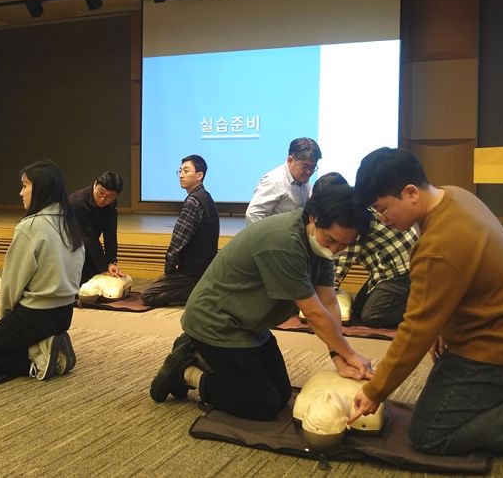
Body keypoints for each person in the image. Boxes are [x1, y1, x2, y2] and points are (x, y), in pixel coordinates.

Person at [348, 147, 503, 466]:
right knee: (440, 402)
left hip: (495, 352)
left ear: (411, 192)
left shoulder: (438, 246)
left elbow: (414, 332)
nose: (384, 221)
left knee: (429, 433)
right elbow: (462, 285)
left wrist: (375, 391)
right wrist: (445, 327)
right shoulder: (454, 196)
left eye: (383, 209)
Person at [150, 184, 373, 421]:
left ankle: (204, 358)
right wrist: (350, 353)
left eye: (344, 245)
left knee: (282, 395)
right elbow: (314, 313)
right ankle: (186, 371)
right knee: (263, 404)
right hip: (216, 324)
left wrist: (339, 357)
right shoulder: (284, 241)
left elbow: (328, 302)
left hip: (251, 327)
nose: (335, 250)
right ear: (313, 217)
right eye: (331, 240)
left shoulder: (321, 246)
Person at [0, 160, 84, 381]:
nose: (20, 192)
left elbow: (12, 284)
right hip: (63, 315)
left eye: (25, 185)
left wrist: (6, 320)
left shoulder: (30, 227)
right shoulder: (70, 224)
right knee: (0, 348)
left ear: (41, 189)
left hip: (33, 317)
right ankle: (45, 345)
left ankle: (37, 359)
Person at [314, 172, 418, 329]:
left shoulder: (352, 216)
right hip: (385, 268)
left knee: (372, 316)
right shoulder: (358, 202)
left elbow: (339, 265)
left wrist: (318, 295)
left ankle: (421, 310)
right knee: (357, 309)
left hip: (404, 268)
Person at [142, 155, 219, 307]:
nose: (181, 175)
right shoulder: (206, 197)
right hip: (205, 266)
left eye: (186, 170)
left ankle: (195, 291)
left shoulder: (193, 201)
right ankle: (199, 289)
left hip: (191, 270)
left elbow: (178, 240)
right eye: (180, 171)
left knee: (148, 296)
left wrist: (169, 269)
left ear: (199, 175)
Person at [245, 137, 321, 225]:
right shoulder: (274, 180)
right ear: (290, 160)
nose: (309, 172)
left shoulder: (304, 180)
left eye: (313, 167)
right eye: (305, 167)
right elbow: (253, 214)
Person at [69, 171, 124, 285]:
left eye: (110, 196)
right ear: (95, 184)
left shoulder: (111, 204)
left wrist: (111, 261)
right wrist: (105, 266)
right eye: (100, 193)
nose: (103, 199)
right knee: (80, 278)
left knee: (98, 276)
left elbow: (110, 235)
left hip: (87, 244)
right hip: (68, 247)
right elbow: (89, 238)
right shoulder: (77, 202)